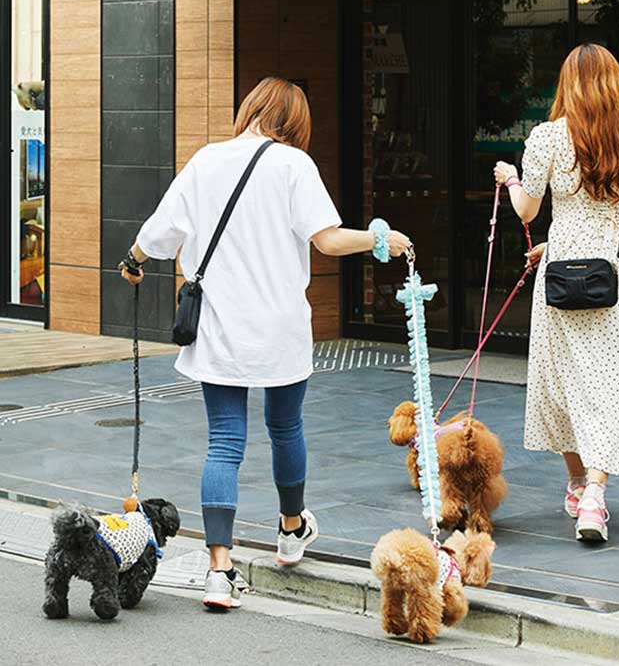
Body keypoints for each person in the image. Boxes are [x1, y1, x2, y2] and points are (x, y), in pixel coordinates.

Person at [119, 77, 410, 609]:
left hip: (219, 330)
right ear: (294, 123)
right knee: (286, 427)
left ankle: (218, 570)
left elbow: (158, 234)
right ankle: (291, 528)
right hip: (279, 329)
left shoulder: (207, 161)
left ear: (251, 109)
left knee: (224, 442)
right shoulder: (294, 166)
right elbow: (327, 239)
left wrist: (133, 263)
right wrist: (381, 239)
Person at [493, 44, 619, 544]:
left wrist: (509, 179)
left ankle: (579, 483)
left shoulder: (548, 138)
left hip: (563, 277)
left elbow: (527, 210)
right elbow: (610, 213)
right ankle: (594, 492)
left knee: (564, 381)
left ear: (566, 84)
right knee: (613, 383)